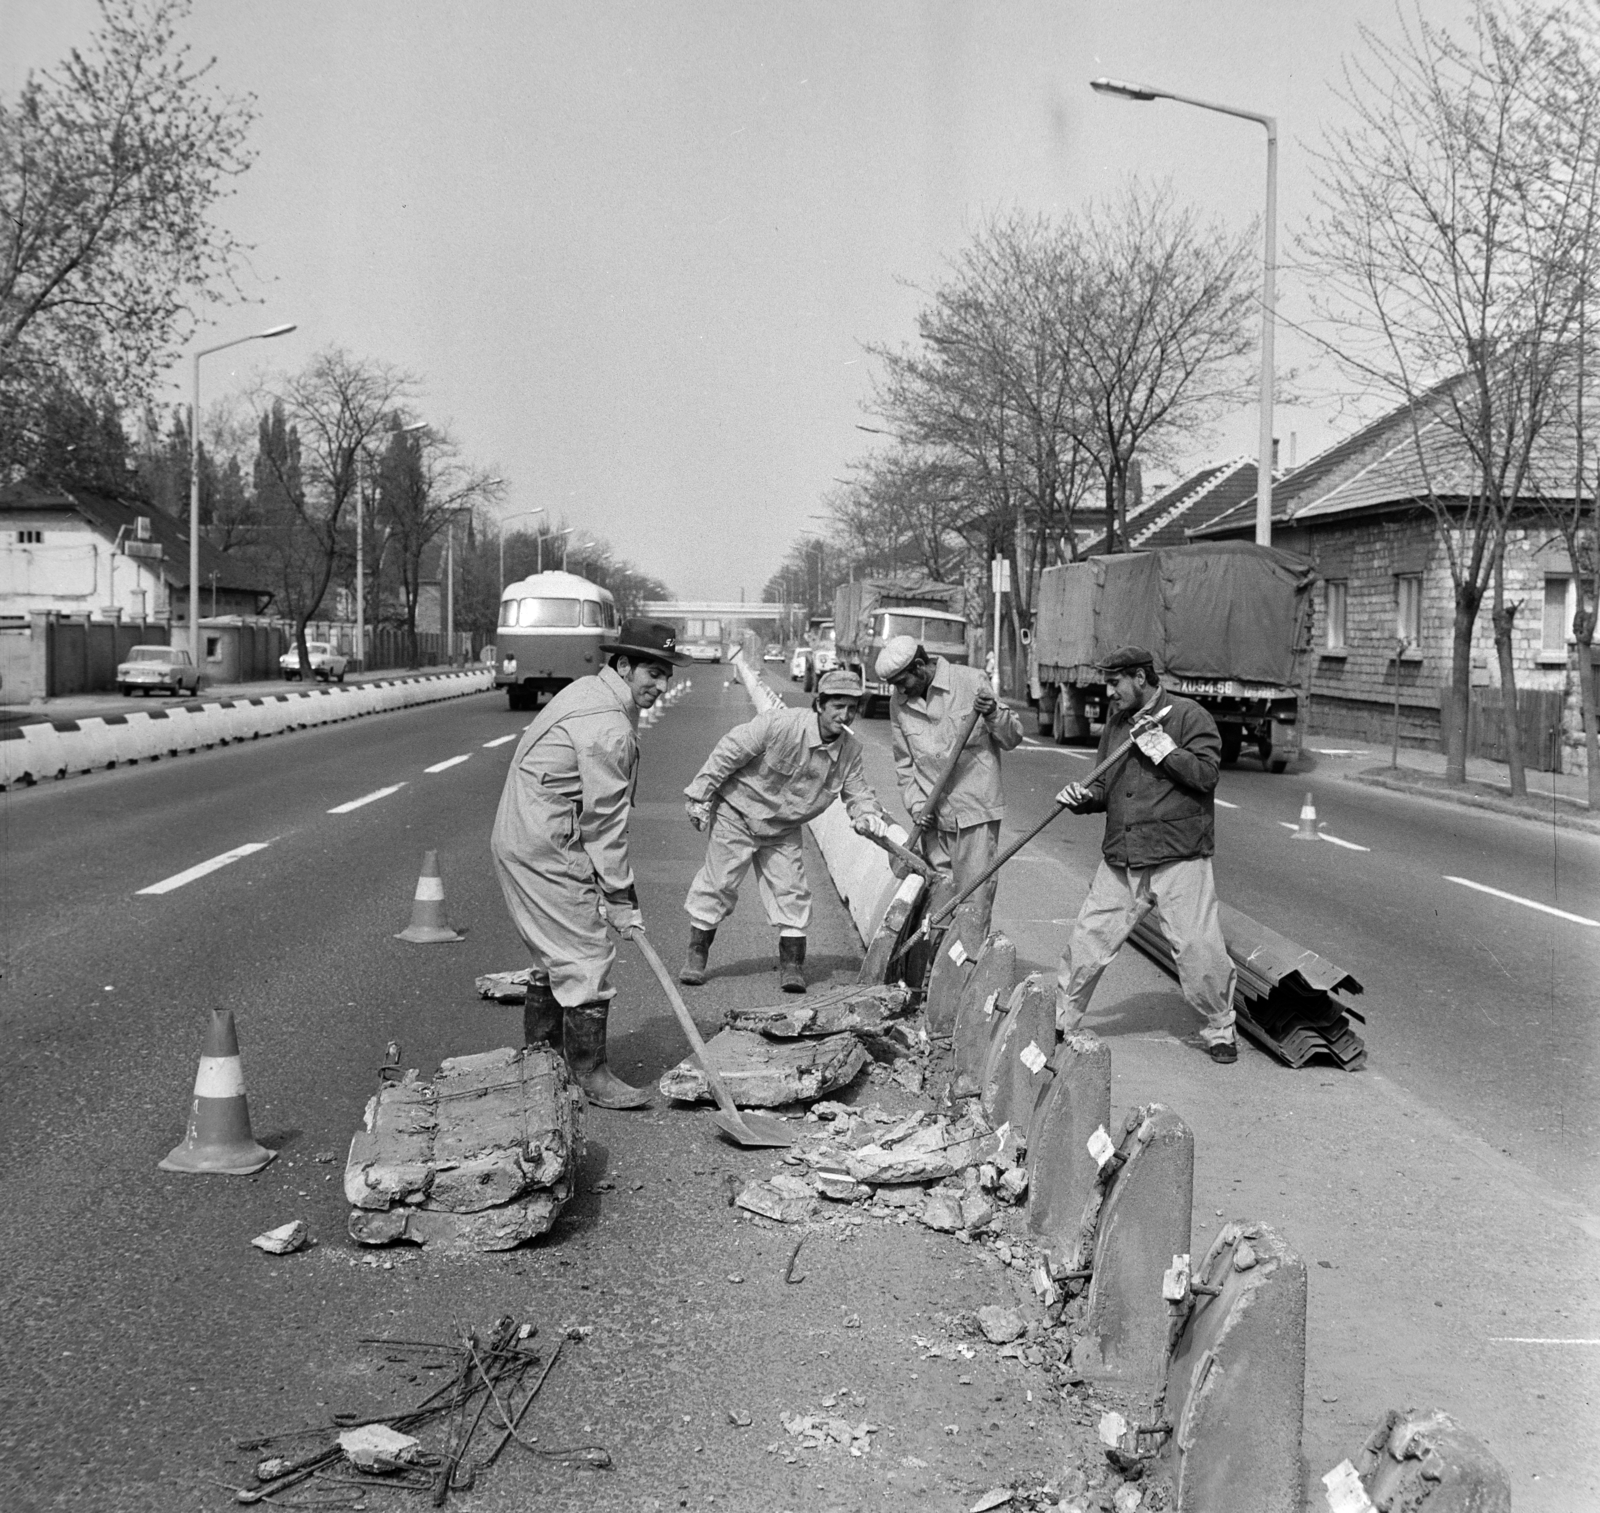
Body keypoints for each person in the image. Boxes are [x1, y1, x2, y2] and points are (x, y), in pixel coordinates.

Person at [489, 619, 689, 1108]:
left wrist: (617, 891)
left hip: (523, 831)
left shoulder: (587, 690)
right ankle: (587, 1072)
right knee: (585, 955)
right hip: (546, 841)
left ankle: (543, 1063)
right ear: (623, 665)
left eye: (666, 676)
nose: (660, 687)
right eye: (652, 674)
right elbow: (605, 822)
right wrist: (620, 896)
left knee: (552, 954)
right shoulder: (608, 726)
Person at [1053, 645, 1238, 1064]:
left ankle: (1220, 1028)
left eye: (1114, 682)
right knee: (1087, 942)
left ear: (1139, 678)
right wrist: (1082, 797)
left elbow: (1206, 776)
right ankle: (1061, 1020)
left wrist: (1162, 748)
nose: (1109, 692)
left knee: (1198, 948)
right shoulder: (1117, 724)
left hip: (1179, 855)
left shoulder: (1189, 716)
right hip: (1123, 855)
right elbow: (1104, 787)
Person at [680, 669, 890, 992]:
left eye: (852, 708)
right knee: (718, 883)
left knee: (792, 891)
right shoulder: (780, 725)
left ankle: (792, 965)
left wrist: (867, 816)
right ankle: (697, 954)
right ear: (819, 704)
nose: (844, 714)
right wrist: (699, 794)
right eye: (837, 706)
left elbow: (859, 793)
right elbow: (729, 751)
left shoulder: (850, 752)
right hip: (738, 812)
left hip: (783, 827)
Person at [875, 634, 1022, 929]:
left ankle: (965, 967)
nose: (899, 690)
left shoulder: (970, 681)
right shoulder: (899, 703)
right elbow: (904, 764)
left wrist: (993, 712)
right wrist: (917, 806)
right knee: (937, 904)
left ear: (919, 665)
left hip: (974, 816)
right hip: (932, 818)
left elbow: (1012, 736)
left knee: (973, 905)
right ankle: (933, 970)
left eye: (902, 681)